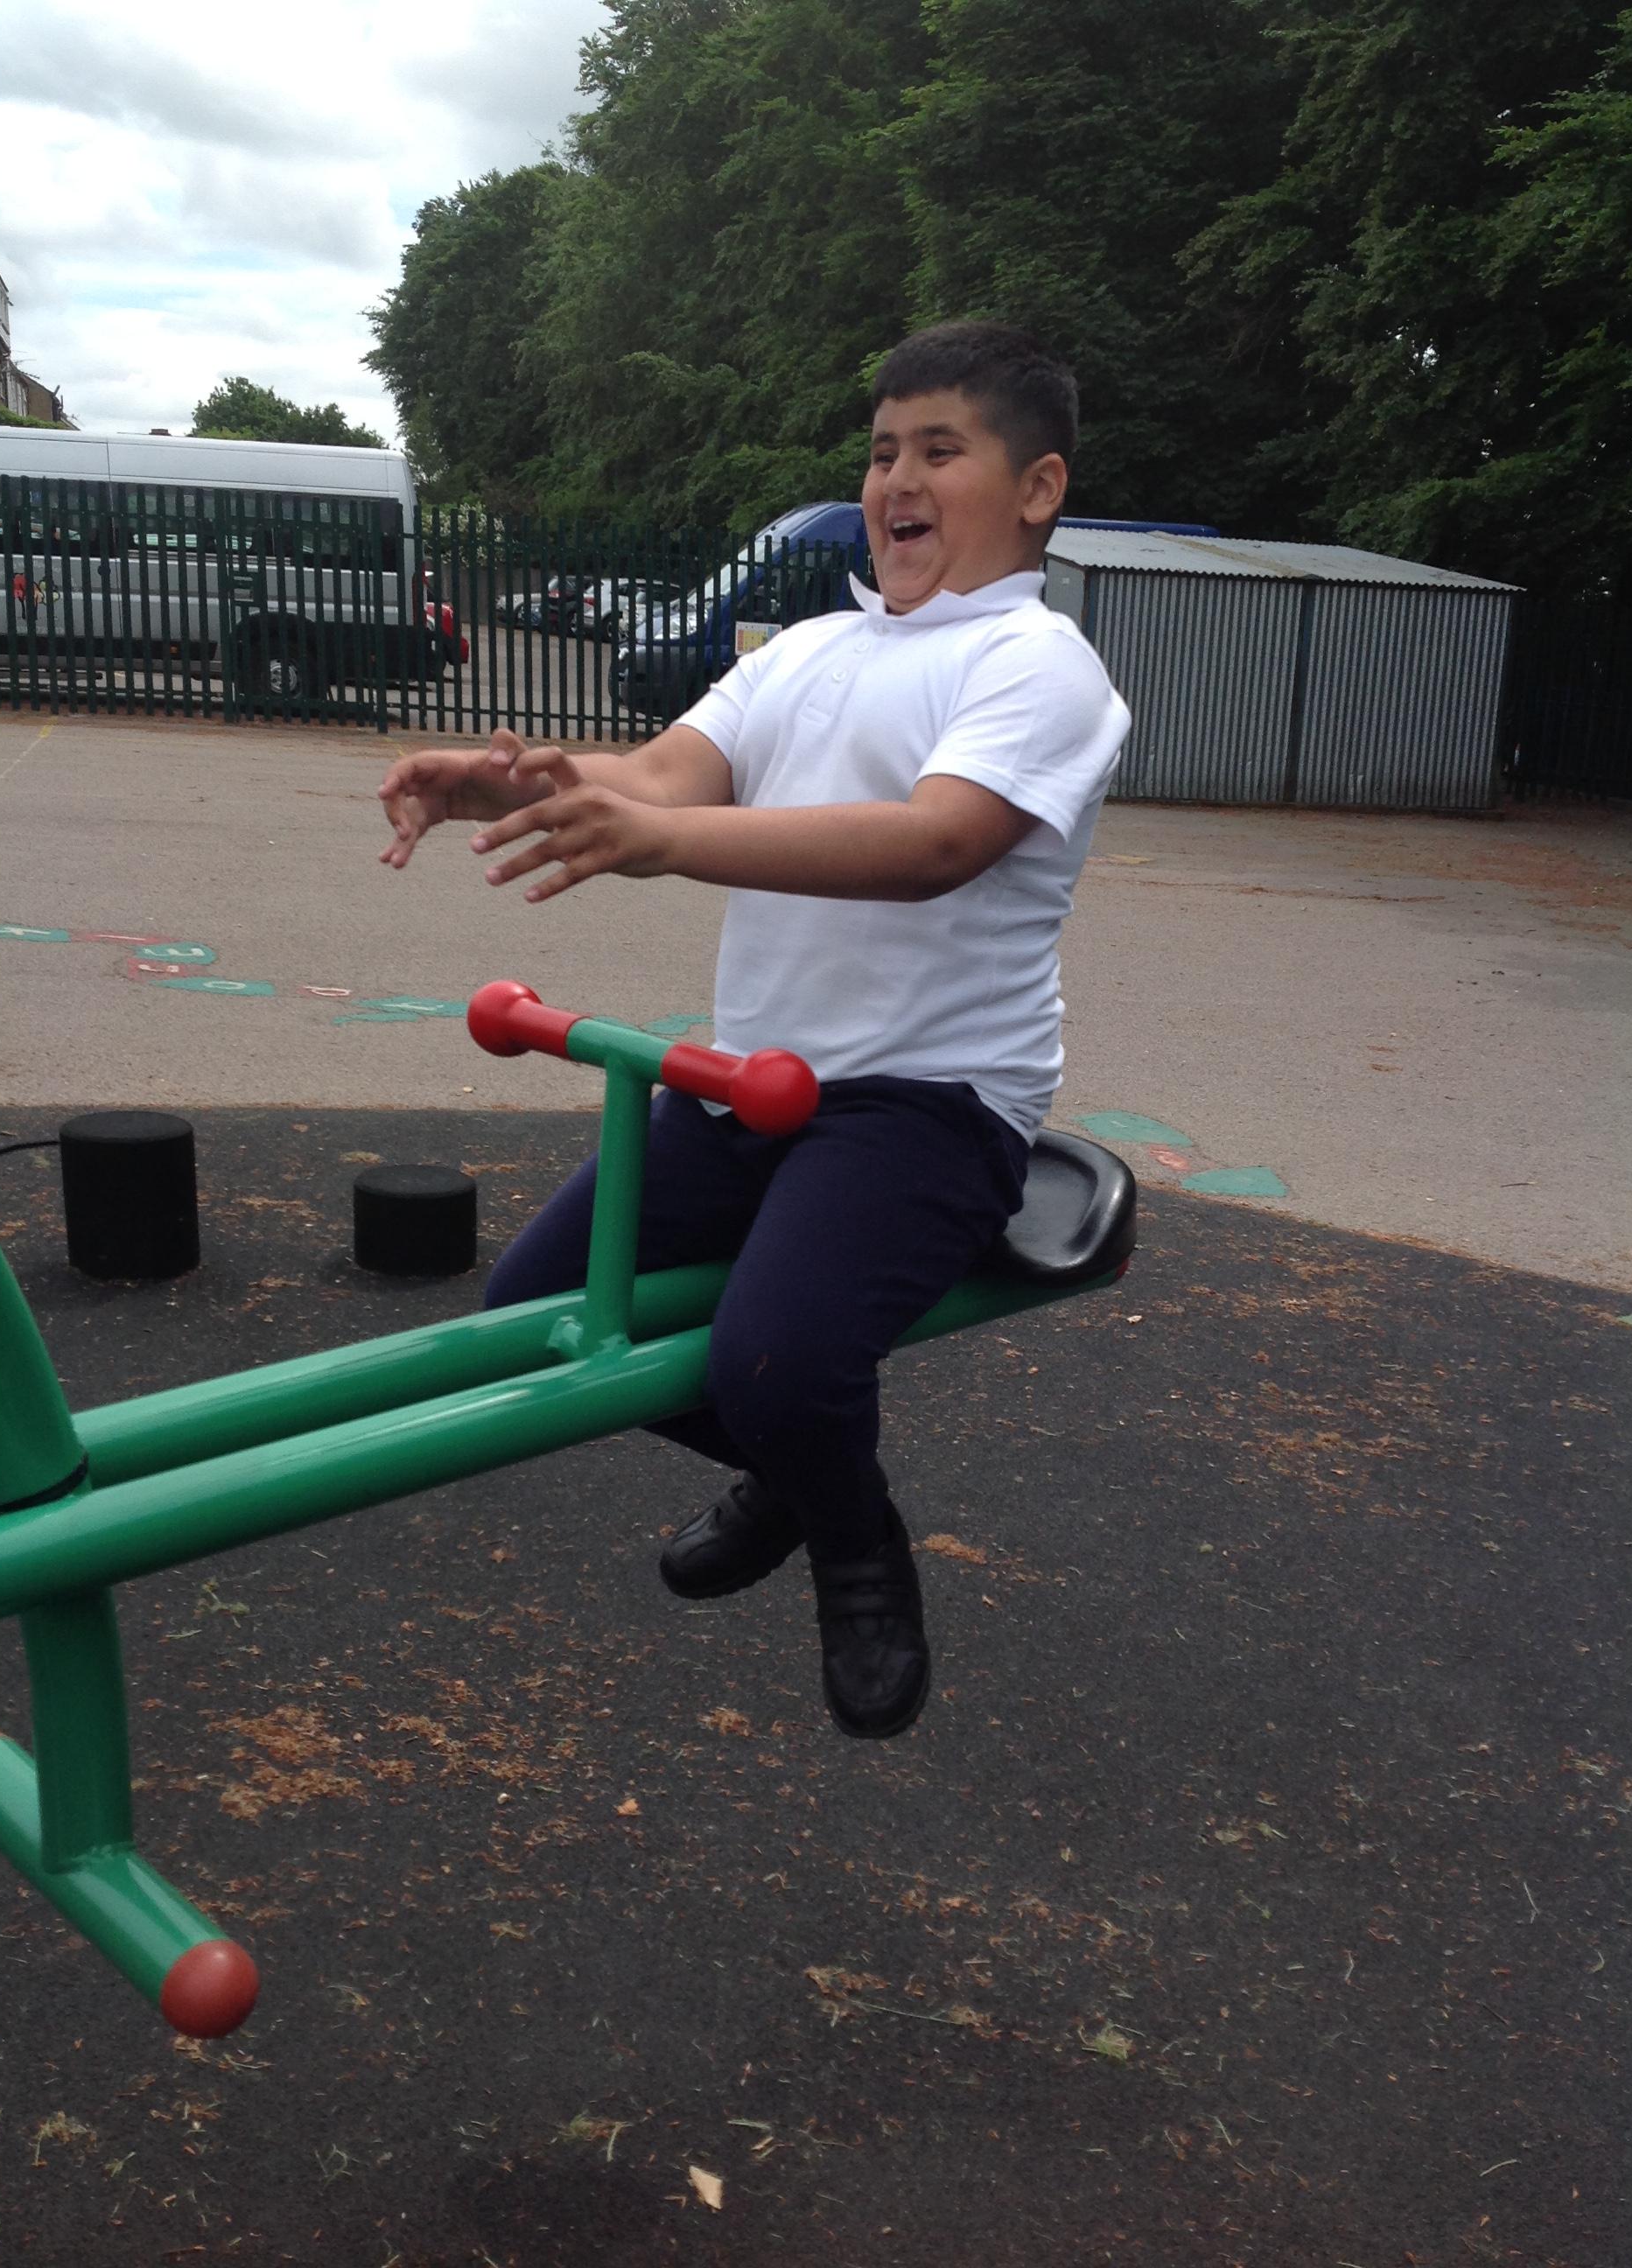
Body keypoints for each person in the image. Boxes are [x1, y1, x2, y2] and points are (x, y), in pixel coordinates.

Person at [375, 321, 1131, 1740]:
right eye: (883, 452)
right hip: (749, 1091)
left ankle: (857, 1549)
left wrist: (666, 844)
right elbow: (665, 775)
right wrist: (496, 786)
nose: (897, 480)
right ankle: (812, 1476)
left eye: (940, 451)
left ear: (1038, 489)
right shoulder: (812, 650)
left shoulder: (1037, 664)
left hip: (926, 1103)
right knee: (537, 1322)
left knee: (776, 1363)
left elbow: (935, 841)